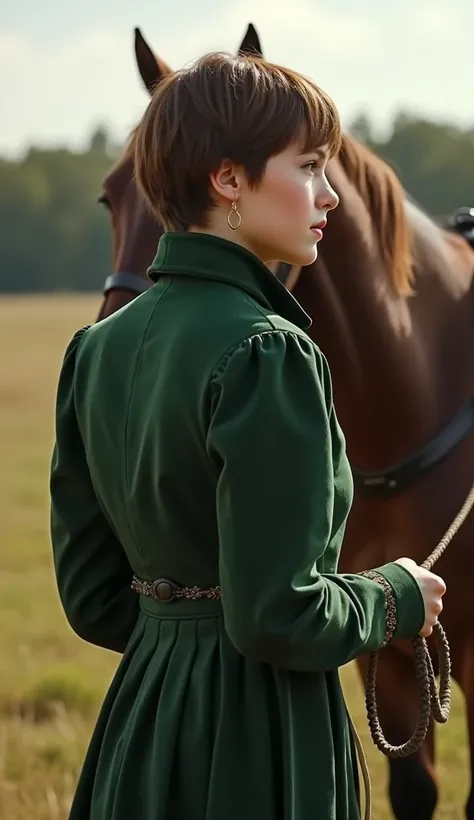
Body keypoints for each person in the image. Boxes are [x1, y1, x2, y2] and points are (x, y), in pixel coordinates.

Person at [49, 51, 446, 820]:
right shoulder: (272, 351)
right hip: (263, 737)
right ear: (228, 180)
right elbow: (280, 616)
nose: (329, 195)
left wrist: (182, 643)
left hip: (144, 726)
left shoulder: (92, 350)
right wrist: (394, 595)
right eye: (307, 167)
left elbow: (93, 596)